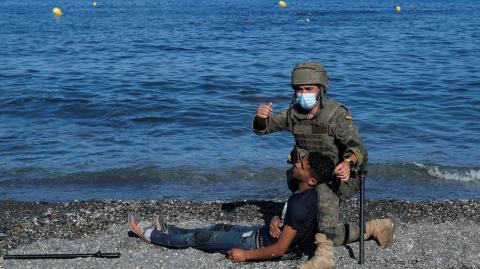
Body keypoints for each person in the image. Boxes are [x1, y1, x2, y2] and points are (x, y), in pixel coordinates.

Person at [253, 62, 394, 268]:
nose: (303, 93)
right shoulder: (294, 114)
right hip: (306, 176)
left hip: (341, 176)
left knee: (323, 190)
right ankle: (374, 227)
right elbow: (264, 128)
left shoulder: (336, 114)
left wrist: (348, 163)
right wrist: (261, 118)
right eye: (299, 89)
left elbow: (357, 147)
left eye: (309, 89)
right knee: (311, 234)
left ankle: (324, 257)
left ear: (320, 89)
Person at [128, 153, 335, 262]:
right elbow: (292, 224)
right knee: (217, 227)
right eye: (301, 160)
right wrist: (274, 220)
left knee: (199, 239)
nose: (297, 164)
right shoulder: (305, 193)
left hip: (256, 245)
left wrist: (245, 256)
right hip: (259, 233)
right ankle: (171, 230)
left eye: (303, 166)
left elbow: (280, 249)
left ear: (313, 180)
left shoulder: (301, 205)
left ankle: (151, 235)